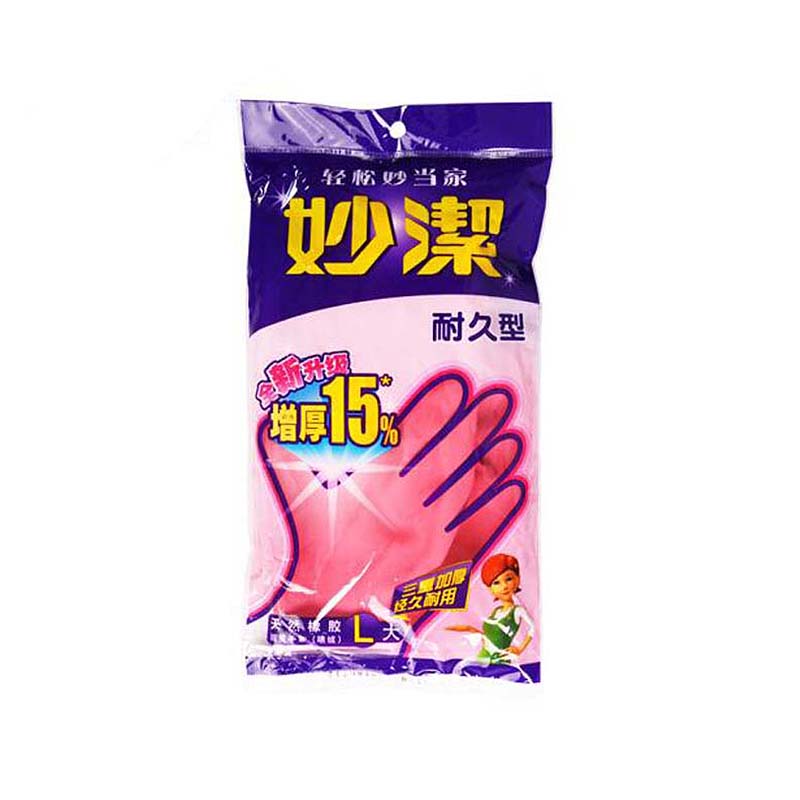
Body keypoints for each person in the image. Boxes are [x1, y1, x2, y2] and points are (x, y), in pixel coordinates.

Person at [447, 553, 534, 664]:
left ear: (517, 579)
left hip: (500, 659)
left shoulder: (517, 610)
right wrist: (470, 630)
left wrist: (520, 649)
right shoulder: (496, 611)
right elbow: (488, 636)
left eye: (508, 579)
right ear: (490, 589)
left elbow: (532, 628)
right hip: (483, 657)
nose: (504, 586)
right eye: (496, 583)